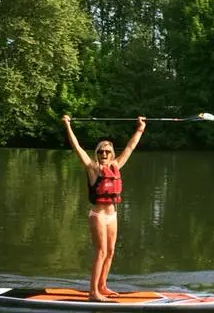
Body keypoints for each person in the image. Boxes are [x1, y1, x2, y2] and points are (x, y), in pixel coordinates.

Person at [62, 114, 146, 302]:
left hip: (112, 216)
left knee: (110, 252)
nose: (104, 154)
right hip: (98, 216)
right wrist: (68, 125)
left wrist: (140, 128)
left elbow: (131, 147)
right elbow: (77, 147)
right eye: (101, 152)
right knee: (100, 252)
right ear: (97, 154)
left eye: (107, 151)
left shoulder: (116, 166)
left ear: (112, 153)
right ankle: (93, 292)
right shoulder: (92, 168)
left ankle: (102, 286)